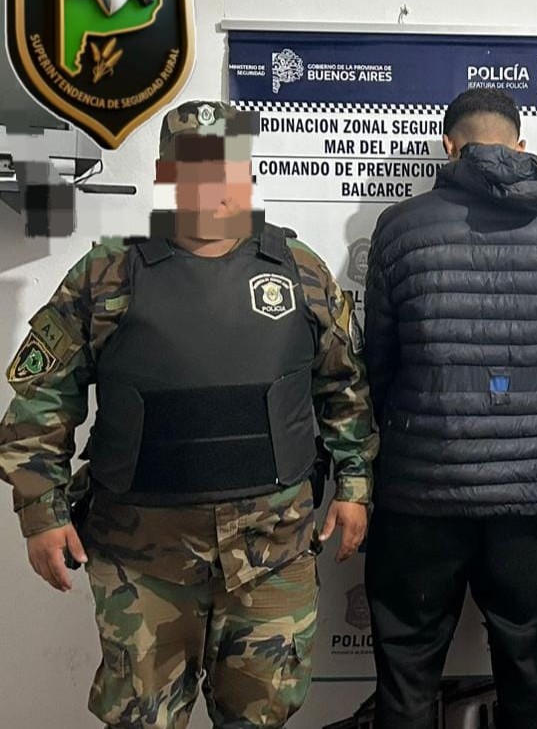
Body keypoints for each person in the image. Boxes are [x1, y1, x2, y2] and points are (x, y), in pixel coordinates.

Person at [0, 100, 378, 729]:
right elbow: (42, 399)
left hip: (272, 555)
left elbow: (345, 386)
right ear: (165, 175)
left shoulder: (300, 271)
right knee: (143, 721)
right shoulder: (106, 273)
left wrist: (355, 486)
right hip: (143, 563)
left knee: (262, 718)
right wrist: (40, 511)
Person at [363, 89, 537, 729]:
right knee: (530, 686)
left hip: (422, 490)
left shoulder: (400, 227)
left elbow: (378, 360)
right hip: (533, 503)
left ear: (449, 146)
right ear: (521, 145)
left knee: (407, 680)